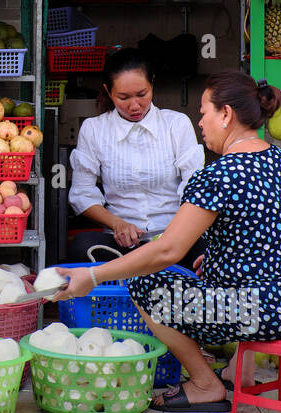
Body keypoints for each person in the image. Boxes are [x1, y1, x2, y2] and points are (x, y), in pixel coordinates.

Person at [56, 71, 281, 413]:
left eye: (204, 112)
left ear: (225, 114)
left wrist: (92, 276)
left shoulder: (218, 174)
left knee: (144, 282)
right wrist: (220, 256)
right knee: (238, 281)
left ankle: (204, 383)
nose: (200, 123)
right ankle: (238, 372)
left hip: (260, 311)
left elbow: (167, 250)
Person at [67, 48, 206, 269]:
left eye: (142, 94)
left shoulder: (176, 124)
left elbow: (195, 187)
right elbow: (82, 195)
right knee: (81, 246)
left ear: (152, 83)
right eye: (123, 97)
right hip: (122, 245)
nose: (134, 106)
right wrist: (118, 225)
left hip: (175, 241)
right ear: (108, 91)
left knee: (206, 251)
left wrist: (173, 235)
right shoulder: (94, 129)